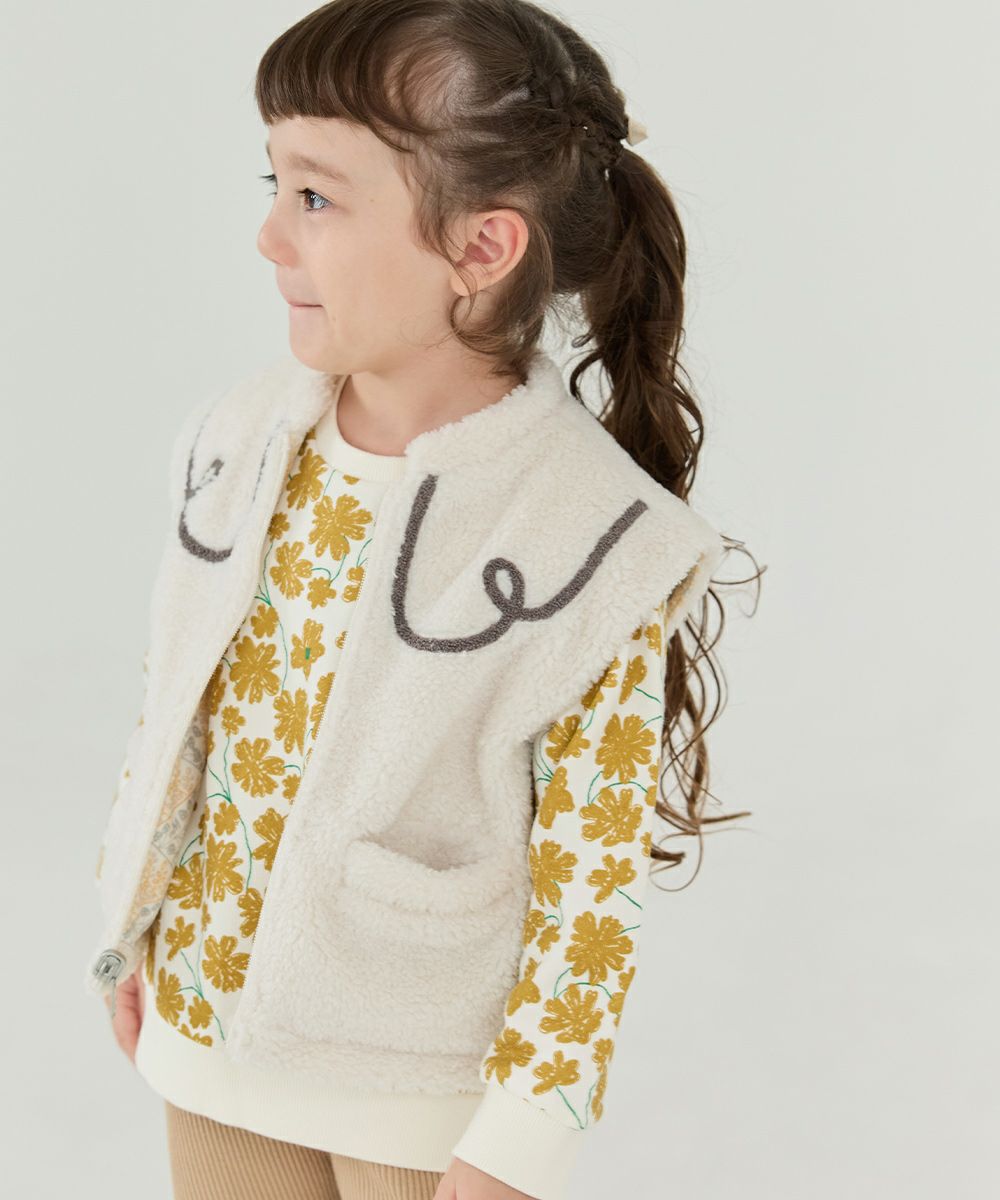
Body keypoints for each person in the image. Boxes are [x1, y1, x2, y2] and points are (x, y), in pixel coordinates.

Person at [84, 2, 759, 1197]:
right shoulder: (238, 440)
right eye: (275, 182)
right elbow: (183, 708)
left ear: (480, 248)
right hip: (203, 1019)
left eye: (315, 197)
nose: (268, 234)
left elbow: (588, 881)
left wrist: (518, 1141)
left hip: (413, 1085)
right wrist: (134, 925)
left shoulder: (591, 538)